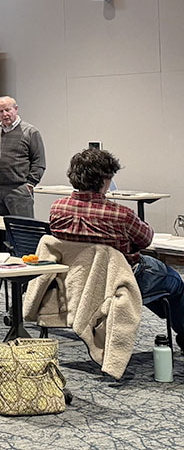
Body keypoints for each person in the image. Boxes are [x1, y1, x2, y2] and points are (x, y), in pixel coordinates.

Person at [49, 148, 184, 348]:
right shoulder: (121, 215)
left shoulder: (57, 209)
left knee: (160, 284)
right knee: (174, 282)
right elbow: (146, 240)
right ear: (105, 180)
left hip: (78, 279)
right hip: (120, 280)